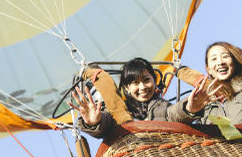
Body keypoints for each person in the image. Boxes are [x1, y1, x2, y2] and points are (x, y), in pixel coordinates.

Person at [69, 57, 220, 138]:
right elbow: (107, 124)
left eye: (146, 80)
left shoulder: (161, 106)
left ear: (154, 81)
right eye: (135, 83)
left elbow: (173, 114)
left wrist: (189, 108)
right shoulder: (119, 112)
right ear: (127, 88)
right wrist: (95, 122)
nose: (142, 87)